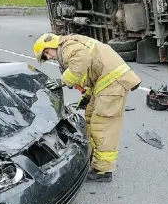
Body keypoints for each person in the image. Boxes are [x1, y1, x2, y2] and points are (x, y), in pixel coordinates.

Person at [33, 33, 141, 182]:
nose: (49, 57)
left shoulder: (67, 47)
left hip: (113, 84)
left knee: (102, 126)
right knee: (89, 116)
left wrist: (62, 81)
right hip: (105, 83)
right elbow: (93, 71)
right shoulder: (70, 45)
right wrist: (88, 96)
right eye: (45, 57)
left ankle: (103, 171)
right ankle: (92, 157)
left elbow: (82, 61)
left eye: (46, 53)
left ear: (51, 45)